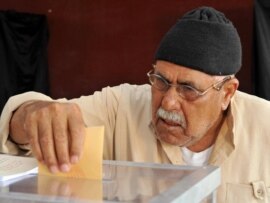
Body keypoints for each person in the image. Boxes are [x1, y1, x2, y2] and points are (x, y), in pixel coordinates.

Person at [0, 6, 269, 202]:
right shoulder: (120, 107)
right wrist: (32, 114)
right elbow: (23, 128)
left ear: (227, 93)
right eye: (161, 81)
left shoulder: (265, 126)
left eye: (188, 89)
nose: (169, 102)